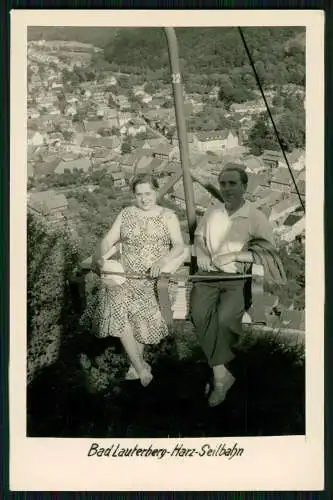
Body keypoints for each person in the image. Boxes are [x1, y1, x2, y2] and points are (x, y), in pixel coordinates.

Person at [189, 164, 286, 407]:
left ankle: (219, 380)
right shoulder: (213, 212)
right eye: (223, 184)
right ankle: (222, 374)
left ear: (244, 186)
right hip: (208, 275)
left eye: (232, 184)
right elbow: (199, 237)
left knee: (223, 320)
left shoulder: (255, 216)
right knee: (199, 316)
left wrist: (234, 257)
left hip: (236, 279)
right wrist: (201, 251)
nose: (227, 189)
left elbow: (269, 253)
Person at [81, 173, 185, 387]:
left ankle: (137, 367)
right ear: (134, 196)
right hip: (125, 277)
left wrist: (162, 261)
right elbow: (109, 239)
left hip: (153, 279)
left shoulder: (168, 216)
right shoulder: (126, 213)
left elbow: (179, 246)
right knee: (117, 306)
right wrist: (100, 257)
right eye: (139, 195)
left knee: (136, 312)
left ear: (156, 192)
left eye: (148, 193)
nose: (144, 199)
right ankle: (140, 367)